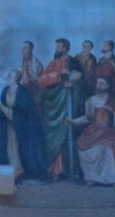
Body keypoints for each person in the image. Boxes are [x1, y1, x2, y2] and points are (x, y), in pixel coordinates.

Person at [65, 75, 115, 186]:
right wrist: (74, 121)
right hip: (95, 130)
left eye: (101, 83)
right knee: (82, 145)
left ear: (107, 86)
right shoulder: (91, 101)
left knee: (108, 146)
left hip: (109, 130)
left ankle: (111, 179)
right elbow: (88, 118)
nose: (98, 86)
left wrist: (112, 112)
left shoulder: (114, 101)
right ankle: (92, 177)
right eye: (97, 83)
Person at [37, 37, 84, 181]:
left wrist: (72, 82)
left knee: (66, 134)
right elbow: (41, 81)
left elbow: (81, 81)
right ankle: (53, 171)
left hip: (66, 105)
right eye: (56, 46)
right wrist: (57, 75)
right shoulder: (53, 64)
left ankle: (68, 170)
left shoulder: (73, 62)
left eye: (59, 47)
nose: (56, 49)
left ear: (65, 48)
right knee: (52, 138)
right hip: (52, 106)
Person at [0, 69, 48, 181]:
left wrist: (0, 106)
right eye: (8, 75)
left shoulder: (22, 93)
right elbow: (1, 113)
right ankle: (8, 175)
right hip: (8, 127)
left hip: (22, 128)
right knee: (8, 149)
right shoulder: (5, 91)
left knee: (17, 149)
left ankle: (19, 172)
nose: (7, 77)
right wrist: (1, 112)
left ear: (16, 79)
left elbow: (22, 114)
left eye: (10, 76)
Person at [18, 40, 44, 105]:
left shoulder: (37, 64)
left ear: (31, 50)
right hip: (21, 89)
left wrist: (32, 76)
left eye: (25, 48)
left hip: (34, 91)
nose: (23, 50)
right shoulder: (19, 62)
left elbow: (42, 81)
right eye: (23, 48)